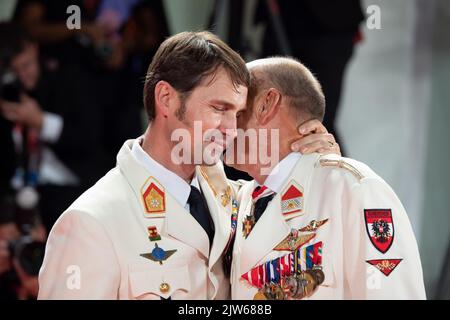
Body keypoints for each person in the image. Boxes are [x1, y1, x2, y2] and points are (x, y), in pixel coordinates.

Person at [37, 31, 338, 300]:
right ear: (165, 98)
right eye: (219, 109)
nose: (231, 129)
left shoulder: (238, 199)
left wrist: (313, 162)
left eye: (238, 113)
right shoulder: (91, 223)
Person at [227, 57, 426, 300]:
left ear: (267, 103)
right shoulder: (238, 199)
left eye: (233, 108)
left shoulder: (353, 189)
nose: (222, 123)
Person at [0, 23, 108, 232]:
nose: (23, 76)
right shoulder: (6, 93)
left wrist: (40, 122)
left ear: (34, 49)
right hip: (20, 196)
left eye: (27, 66)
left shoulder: (68, 78)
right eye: (14, 71)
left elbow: (89, 141)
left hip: (74, 186)